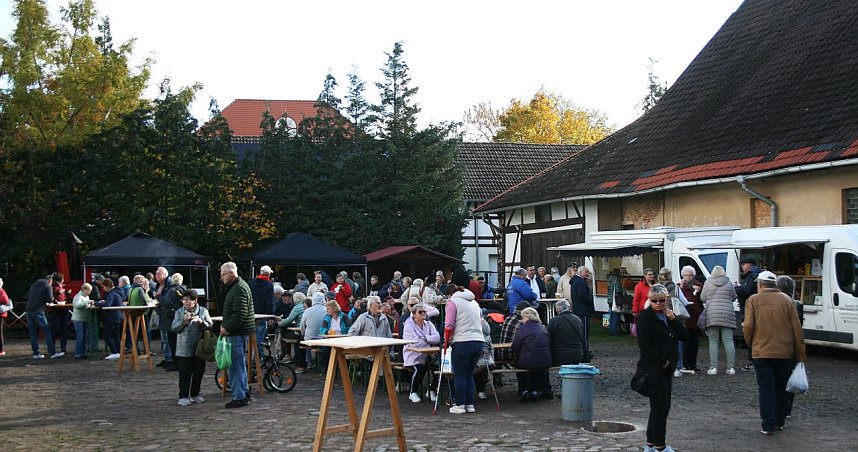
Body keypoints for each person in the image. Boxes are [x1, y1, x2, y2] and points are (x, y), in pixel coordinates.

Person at [743, 271, 806, 435]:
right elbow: (796, 329)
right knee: (781, 386)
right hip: (784, 352)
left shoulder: (753, 300)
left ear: (760, 284)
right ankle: (780, 420)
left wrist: (750, 342)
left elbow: (748, 325)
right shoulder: (787, 301)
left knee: (765, 387)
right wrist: (800, 353)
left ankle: (767, 424)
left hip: (761, 351)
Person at [636, 284, 687, 452]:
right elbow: (645, 345)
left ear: (666, 300)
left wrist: (674, 320)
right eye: (654, 301)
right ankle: (659, 445)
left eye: (661, 300)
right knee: (660, 407)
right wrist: (662, 362)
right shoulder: (645, 317)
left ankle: (651, 444)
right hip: (654, 368)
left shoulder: (668, 316)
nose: (658, 303)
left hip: (668, 368)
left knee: (662, 407)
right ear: (649, 300)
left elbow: (684, 336)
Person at [443, 278, 484, 414]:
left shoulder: (452, 302)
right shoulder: (474, 303)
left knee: (460, 374)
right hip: (478, 340)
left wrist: (446, 341)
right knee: (468, 374)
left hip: (462, 341)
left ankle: (460, 404)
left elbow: (449, 325)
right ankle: (469, 404)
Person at [218, 262, 255, 408]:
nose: (221, 278)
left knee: (235, 366)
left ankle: (239, 396)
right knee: (239, 365)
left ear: (230, 273)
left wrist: (226, 328)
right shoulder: (239, 286)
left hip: (236, 332)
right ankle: (244, 393)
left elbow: (240, 314)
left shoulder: (238, 288)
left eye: (223, 274)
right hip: (240, 332)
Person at [172, 288, 213, 406]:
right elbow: (174, 328)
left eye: (188, 300)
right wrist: (183, 322)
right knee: (184, 372)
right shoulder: (179, 312)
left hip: (199, 346)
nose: (185, 302)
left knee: (198, 371)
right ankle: (183, 396)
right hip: (183, 347)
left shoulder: (203, 311)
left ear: (195, 301)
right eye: (184, 300)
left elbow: (210, 326)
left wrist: (201, 322)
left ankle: (195, 393)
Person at [700, 265, 738, 375]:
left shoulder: (708, 282)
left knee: (713, 341)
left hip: (712, 313)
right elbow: (734, 297)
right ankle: (730, 368)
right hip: (727, 314)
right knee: (728, 340)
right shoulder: (729, 283)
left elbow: (702, 297)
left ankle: (713, 368)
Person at [775, 275, 804, 418]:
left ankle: (778, 408)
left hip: (777, 344)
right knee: (789, 378)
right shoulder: (797, 304)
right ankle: (787, 409)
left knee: (776, 380)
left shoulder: (777, 303)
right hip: (791, 346)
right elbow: (799, 327)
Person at [402, 302, 441, 403]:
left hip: (428, 354)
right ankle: (413, 392)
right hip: (413, 354)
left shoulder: (429, 324)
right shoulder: (408, 325)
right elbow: (414, 342)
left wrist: (424, 338)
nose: (423, 313)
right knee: (420, 369)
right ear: (414, 314)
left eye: (424, 311)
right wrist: (429, 340)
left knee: (440, 367)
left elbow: (437, 338)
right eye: (420, 312)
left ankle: (432, 390)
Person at [512, 307, 553, 401]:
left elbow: (515, 347)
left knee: (523, 367)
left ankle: (524, 391)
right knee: (537, 366)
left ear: (526, 318)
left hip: (527, 362)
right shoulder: (544, 328)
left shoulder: (522, 329)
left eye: (522, 318)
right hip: (545, 361)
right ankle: (536, 390)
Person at [678, 266, 703, 374]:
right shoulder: (680, 286)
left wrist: (698, 292)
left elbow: (702, 299)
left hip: (696, 317)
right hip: (685, 317)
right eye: (686, 275)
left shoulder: (699, 285)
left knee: (695, 343)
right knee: (686, 342)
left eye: (690, 275)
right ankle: (685, 364)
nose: (688, 277)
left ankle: (693, 363)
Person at [736, 257, 760, 370]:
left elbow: (746, 292)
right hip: (757, 309)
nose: (742, 266)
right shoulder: (757, 274)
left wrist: (736, 288)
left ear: (749, 265)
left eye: (743, 264)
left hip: (749, 309)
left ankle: (753, 362)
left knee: (751, 334)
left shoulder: (751, 276)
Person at [547, 299, 584, 366]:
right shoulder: (578, 319)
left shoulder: (554, 321)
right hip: (577, 354)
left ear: (557, 310)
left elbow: (548, 338)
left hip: (560, 356)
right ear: (568, 307)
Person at [251, 265, 276, 359]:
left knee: (253, 335)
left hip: (252, 312)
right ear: (268, 274)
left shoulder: (252, 282)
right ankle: (258, 356)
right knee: (260, 335)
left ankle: (253, 355)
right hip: (263, 314)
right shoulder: (269, 284)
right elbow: (270, 301)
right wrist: (271, 316)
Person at [298, 292, 327, 373]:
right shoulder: (327, 310)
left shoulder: (307, 311)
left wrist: (303, 334)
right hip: (323, 339)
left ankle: (302, 366)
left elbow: (302, 326)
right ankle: (324, 366)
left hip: (309, 339)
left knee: (298, 342)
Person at [152, 267, 175, 369]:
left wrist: (157, 297)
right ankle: (167, 358)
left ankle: (170, 359)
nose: (157, 276)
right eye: (156, 274)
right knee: (164, 339)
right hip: (161, 314)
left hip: (168, 315)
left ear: (165, 275)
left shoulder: (169, 286)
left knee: (168, 339)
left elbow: (166, 301)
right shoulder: (159, 285)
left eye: (159, 274)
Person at [95, 278, 123, 360]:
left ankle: (114, 352)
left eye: (103, 287)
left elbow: (108, 304)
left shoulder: (111, 293)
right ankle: (118, 352)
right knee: (116, 336)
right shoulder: (118, 292)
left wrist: (97, 303)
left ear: (107, 286)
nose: (103, 289)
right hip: (118, 316)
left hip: (112, 317)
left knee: (106, 335)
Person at [570, 266, 595, 355]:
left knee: (579, 330)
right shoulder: (580, 283)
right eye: (586, 272)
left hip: (577, 309)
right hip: (583, 310)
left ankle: (581, 348)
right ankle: (584, 349)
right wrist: (590, 300)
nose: (588, 274)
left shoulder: (575, 282)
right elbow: (582, 295)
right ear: (580, 272)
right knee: (584, 331)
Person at [48, 271, 70, 356]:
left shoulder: (56, 287)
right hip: (57, 310)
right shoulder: (54, 287)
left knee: (57, 330)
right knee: (59, 330)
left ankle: (55, 348)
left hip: (60, 310)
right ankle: (60, 348)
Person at [71, 283, 93, 360]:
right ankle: (78, 354)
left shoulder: (86, 297)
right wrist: (87, 302)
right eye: (89, 291)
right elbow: (77, 305)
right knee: (80, 336)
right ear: (84, 289)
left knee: (84, 336)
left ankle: (83, 353)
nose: (89, 292)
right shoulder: (78, 296)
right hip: (78, 319)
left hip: (85, 318)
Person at [607, 268, 624, 336]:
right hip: (615, 300)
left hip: (610, 299)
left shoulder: (609, 279)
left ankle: (611, 330)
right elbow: (618, 290)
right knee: (616, 315)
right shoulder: (616, 279)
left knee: (611, 315)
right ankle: (614, 331)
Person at [0, 278, 9, 357]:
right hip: (1, 314)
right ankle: (1, 350)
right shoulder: (1, 291)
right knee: (0, 332)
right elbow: (6, 301)